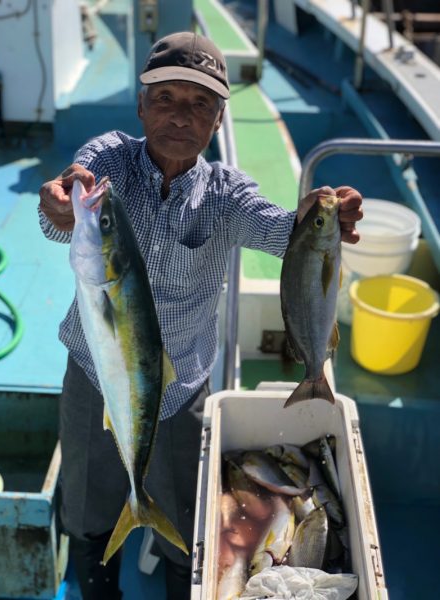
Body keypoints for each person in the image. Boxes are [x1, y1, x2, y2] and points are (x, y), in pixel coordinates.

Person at [38, 31, 362, 600]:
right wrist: (59, 205)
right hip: (96, 370)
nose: (181, 116)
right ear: (141, 105)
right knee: (88, 500)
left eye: (200, 104)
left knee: (185, 515)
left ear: (217, 120)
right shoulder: (105, 162)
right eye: (166, 99)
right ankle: (96, 582)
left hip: (182, 381)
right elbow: (67, 206)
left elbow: (282, 229)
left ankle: (173, 573)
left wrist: (323, 222)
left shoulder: (228, 195)